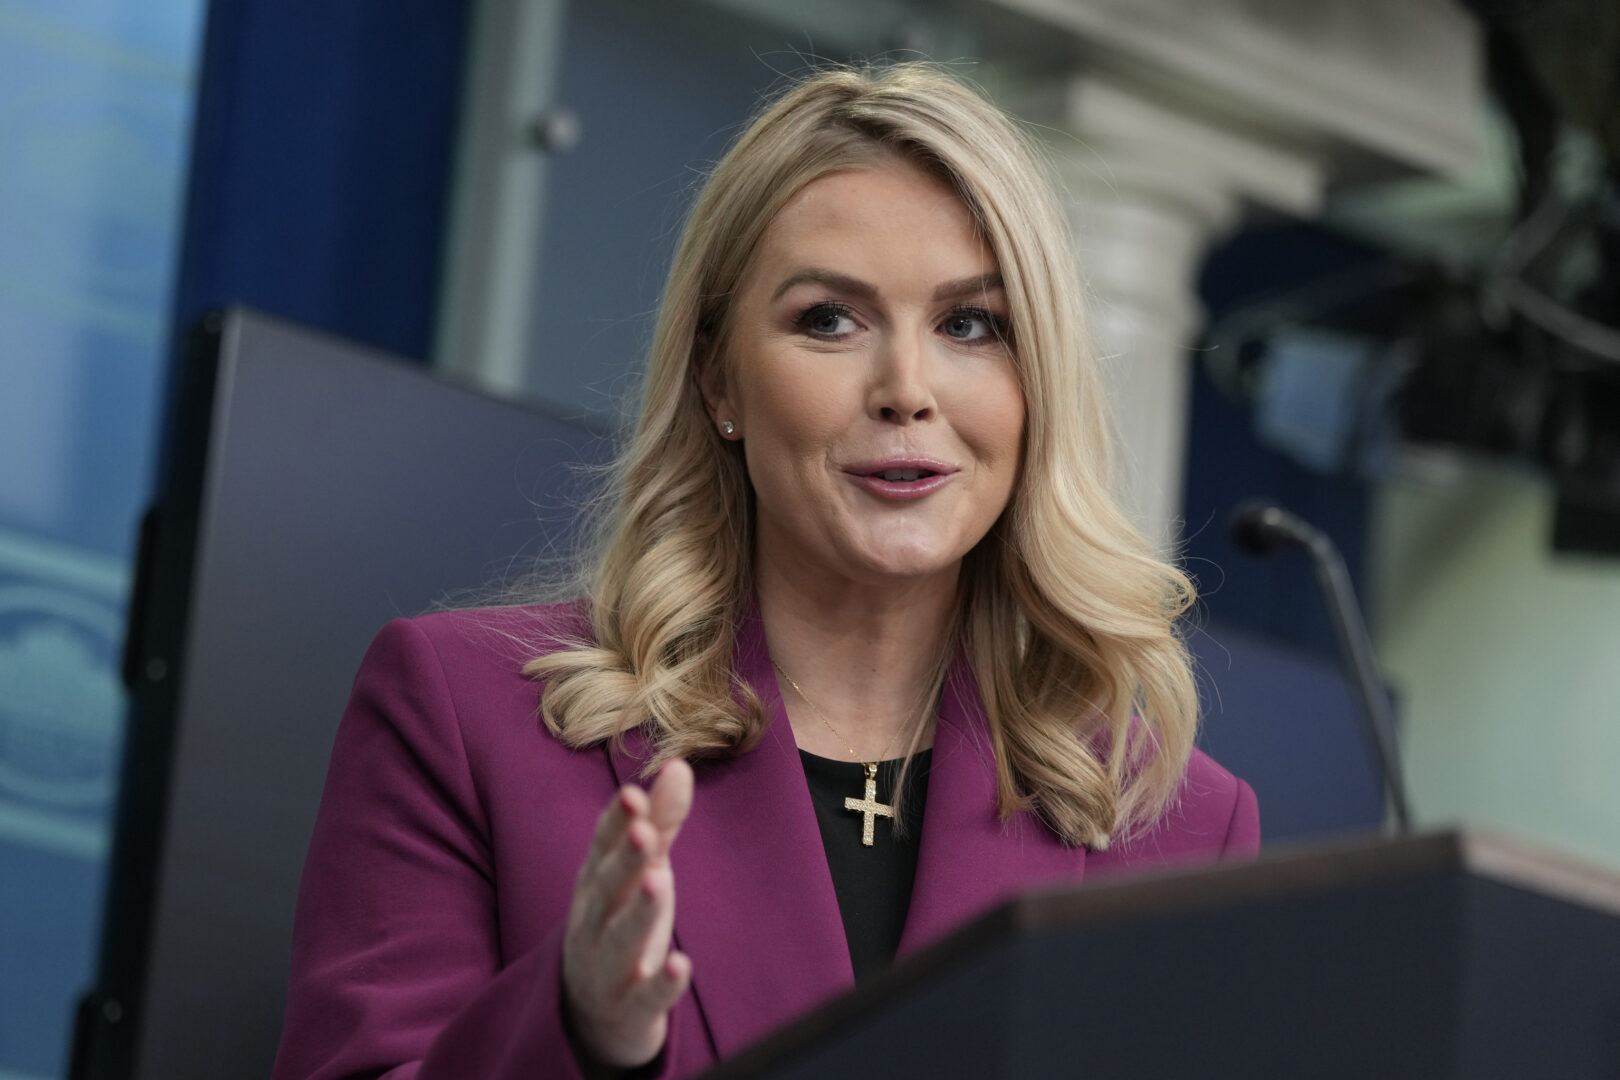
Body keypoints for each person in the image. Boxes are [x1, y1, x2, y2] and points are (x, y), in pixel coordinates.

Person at [271, 62, 1258, 1080]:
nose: (906, 389)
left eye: (970, 325)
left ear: (1036, 384)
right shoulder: (465, 714)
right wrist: (581, 1034)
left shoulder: (1183, 829)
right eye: (830, 319)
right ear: (718, 379)